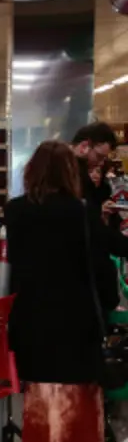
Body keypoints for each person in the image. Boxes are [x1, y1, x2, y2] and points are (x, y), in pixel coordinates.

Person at [7, 141, 121, 442]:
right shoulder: (82, 213)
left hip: (32, 320)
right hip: (76, 321)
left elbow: (16, 271)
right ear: (70, 173)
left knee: (41, 405)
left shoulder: (16, 212)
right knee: (81, 407)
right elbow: (100, 269)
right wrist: (108, 305)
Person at [72, 122, 128, 316]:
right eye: (99, 156)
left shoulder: (99, 188)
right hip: (83, 283)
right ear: (85, 146)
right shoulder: (75, 183)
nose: (99, 164)